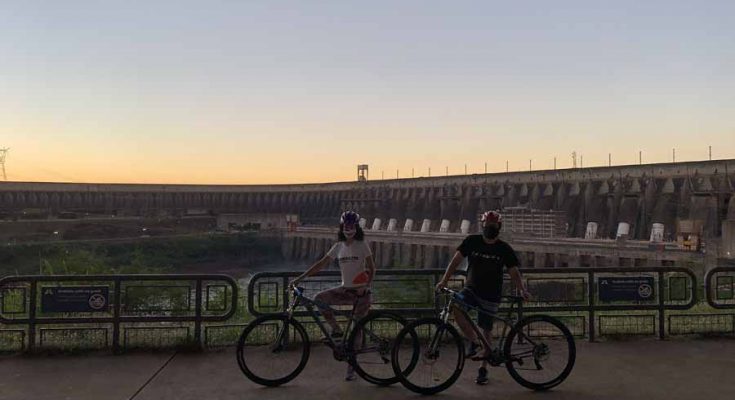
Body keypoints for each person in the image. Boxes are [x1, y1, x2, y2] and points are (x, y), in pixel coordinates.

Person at [435, 210, 531, 385]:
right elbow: (455, 261)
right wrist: (444, 281)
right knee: (456, 305)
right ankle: (474, 342)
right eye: (487, 226)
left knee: (486, 330)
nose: (490, 228)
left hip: (491, 295)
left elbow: (514, 272)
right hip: (471, 290)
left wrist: (522, 290)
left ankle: (483, 369)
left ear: (498, 227)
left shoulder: (504, 248)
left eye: (493, 226)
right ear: (483, 226)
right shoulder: (472, 241)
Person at [291, 210, 376, 381]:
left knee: (356, 331)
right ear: (342, 227)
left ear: (356, 227)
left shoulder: (362, 245)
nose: (349, 228)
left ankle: (352, 369)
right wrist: (300, 278)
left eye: (351, 226)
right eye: (346, 226)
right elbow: (321, 264)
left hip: (361, 294)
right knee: (319, 299)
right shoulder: (338, 246)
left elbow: (372, 269)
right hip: (345, 290)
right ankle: (336, 330)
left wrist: (366, 287)